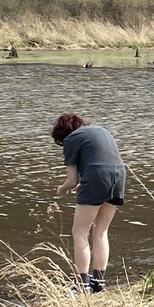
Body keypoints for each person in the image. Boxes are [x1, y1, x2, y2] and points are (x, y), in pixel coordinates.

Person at [52, 112, 126, 293]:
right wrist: (87, 182)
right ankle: (98, 283)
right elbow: (100, 160)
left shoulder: (70, 140)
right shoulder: (100, 130)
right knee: (101, 231)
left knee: (79, 232)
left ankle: (81, 285)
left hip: (97, 178)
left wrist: (62, 189)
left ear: (62, 135)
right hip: (119, 176)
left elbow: (72, 181)